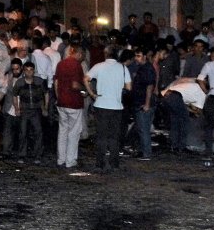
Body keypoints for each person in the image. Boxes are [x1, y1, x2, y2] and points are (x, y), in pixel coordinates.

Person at [84, 44, 132, 172]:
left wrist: (92, 93)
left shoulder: (98, 66)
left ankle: (100, 163)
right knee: (114, 136)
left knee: (101, 136)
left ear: (105, 54)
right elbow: (129, 88)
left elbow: (86, 78)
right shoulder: (122, 68)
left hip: (101, 104)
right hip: (116, 106)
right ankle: (114, 163)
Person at [53, 44, 86, 169]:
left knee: (62, 131)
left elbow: (56, 83)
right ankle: (70, 160)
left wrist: (58, 97)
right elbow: (75, 85)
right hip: (74, 103)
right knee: (74, 132)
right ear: (79, 53)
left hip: (62, 102)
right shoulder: (76, 65)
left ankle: (61, 158)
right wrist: (85, 90)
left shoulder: (60, 64)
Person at [13, 61, 49, 164]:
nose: (29, 72)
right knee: (23, 132)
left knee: (38, 132)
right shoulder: (19, 82)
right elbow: (15, 95)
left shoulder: (39, 82)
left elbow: (46, 94)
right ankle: (22, 155)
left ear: (34, 71)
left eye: (31, 70)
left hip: (36, 110)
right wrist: (17, 108)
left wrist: (45, 107)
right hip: (24, 109)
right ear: (24, 71)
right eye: (27, 70)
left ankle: (37, 155)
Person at [161, 78, 207, 153]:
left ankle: (174, 145)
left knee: (175, 122)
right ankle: (181, 146)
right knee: (184, 122)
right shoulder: (201, 94)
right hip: (176, 97)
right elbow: (198, 111)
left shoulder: (192, 84)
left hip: (166, 96)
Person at [127, 46, 156, 161]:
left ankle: (146, 153)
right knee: (141, 128)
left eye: (138, 56)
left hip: (144, 103)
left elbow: (149, 87)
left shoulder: (147, 68)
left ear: (144, 56)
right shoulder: (141, 68)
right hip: (140, 102)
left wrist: (147, 103)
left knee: (144, 129)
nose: (136, 58)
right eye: (135, 56)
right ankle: (142, 150)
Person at [0, 58, 24, 159]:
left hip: (22, 109)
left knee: (22, 132)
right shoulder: (8, 77)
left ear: (21, 68)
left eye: (17, 69)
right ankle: (6, 151)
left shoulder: (25, 78)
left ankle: (21, 153)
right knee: (7, 131)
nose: (15, 71)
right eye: (13, 69)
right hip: (9, 108)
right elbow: (3, 90)